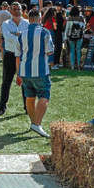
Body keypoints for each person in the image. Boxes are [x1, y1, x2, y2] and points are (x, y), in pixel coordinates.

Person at [16, 8, 54, 138]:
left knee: (29, 96)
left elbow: (18, 54)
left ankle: (33, 122)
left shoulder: (21, 34)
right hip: (40, 70)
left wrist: (18, 73)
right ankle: (37, 124)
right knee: (44, 95)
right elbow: (50, 51)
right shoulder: (44, 32)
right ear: (39, 18)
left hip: (24, 70)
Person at [0, 2, 28, 117]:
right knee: (6, 82)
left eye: (19, 9)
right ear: (10, 10)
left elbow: (27, 36)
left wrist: (17, 35)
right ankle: (2, 107)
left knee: (25, 82)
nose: (17, 11)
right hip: (10, 55)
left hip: (23, 55)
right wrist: (20, 36)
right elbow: (7, 37)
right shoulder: (6, 23)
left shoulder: (26, 23)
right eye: (14, 9)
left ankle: (27, 107)